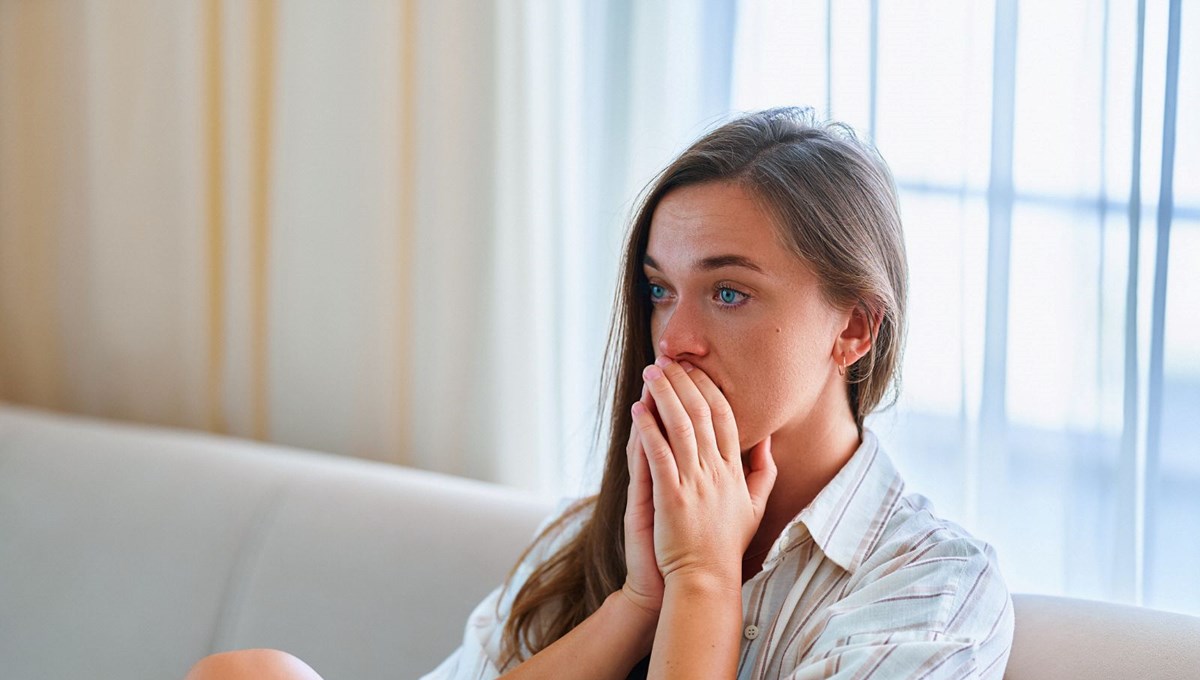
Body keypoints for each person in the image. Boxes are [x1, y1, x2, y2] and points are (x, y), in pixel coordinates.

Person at [185, 108, 1013, 680]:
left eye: (729, 292)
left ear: (855, 330)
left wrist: (706, 583)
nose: (676, 337)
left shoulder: (931, 589)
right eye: (660, 291)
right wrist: (638, 601)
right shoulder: (595, 536)